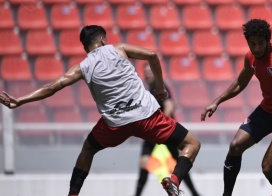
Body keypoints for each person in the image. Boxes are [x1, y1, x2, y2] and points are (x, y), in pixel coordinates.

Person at [0, 25, 201, 196]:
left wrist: (20, 100)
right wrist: (160, 88)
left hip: (115, 125)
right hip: (147, 116)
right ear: (103, 40)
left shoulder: (83, 67)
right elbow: (152, 55)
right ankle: (174, 179)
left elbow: (52, 87)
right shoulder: (119, 49)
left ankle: (72, 194)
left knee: (88, 150)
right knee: (191, 143)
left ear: (85, 47)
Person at [201, 19, 272, 196]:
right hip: (267, 110)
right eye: (252, 44)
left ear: (268, 41)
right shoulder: (250, 57)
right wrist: (217, 101)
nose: (256, 48)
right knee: (235, 146)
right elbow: (240, 83)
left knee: (267, 168)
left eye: (260, 43)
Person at [133, 64, 201, 196]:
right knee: (148, 163)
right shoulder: (147, 90)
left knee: (177, 163)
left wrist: (161, 124)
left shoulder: (159, 88)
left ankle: (194, 193)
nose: (147, 75)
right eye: (145, 72)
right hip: (154, 132)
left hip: (163, 131)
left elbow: (170, 106)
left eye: (150, 72)